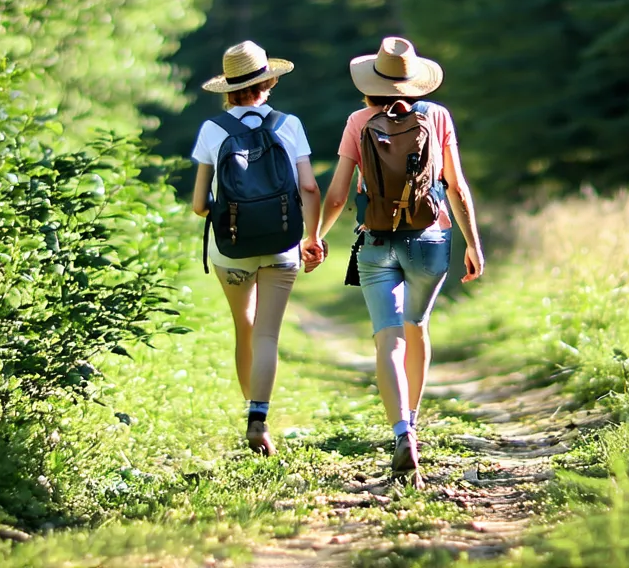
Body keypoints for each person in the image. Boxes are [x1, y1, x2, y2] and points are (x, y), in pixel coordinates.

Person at [319, 36, 484, 482]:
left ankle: (400, 432)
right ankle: (413, 416)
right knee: (418, 327)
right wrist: (472, 242)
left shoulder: (359, 120)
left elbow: (337, 192)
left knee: (387, 339)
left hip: (375, 239)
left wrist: (314, 235)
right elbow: (456, 186)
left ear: (371, 82)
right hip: (430, 238)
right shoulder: (438, 116)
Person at [191, 41, 325, 456]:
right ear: (268, 82)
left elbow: (198, 205)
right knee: (268, 334)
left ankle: (247, 406)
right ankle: (258, 418)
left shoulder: (213, 130)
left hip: (230, 248)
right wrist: (313, 236)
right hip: (283, 244)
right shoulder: (289, 124)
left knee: (244, 329)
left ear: (227, 89)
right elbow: (308, 187)